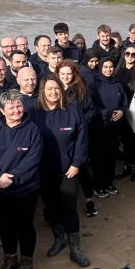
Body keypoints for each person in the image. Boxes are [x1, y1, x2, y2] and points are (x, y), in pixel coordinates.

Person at [0, 90, 43, 269]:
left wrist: (12, 178)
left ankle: (26, 261)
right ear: (2, 110)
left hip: (25, 189)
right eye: (11, 107)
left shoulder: (32, 129)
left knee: (24, 225)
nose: (16, 110)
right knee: (6, 226)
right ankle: (9, 259)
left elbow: (33, 158)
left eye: (19, 106)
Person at [33, 76, 91, 266]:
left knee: (68, 206)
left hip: (69, 170)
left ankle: (75, 248)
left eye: (57, 88)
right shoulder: (35, 113)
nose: (53, 92)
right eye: (49, 89)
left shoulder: (72, 109)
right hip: (44, 170)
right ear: (42, 91)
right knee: (51, 206)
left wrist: (76, 164)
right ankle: (59, 239)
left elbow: (82, 139)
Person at [56, 59, 99, 217]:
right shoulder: (53, 90)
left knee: (84, 168)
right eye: (63, 74)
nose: (66, 77)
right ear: (57, 74)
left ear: (74, 74)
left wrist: (80, 123)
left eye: (69, 73)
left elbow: (92, 110)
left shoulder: (81, 90)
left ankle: (89, 199)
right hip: (60, 137)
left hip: (80, 135)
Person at [90, 58, 128, 195]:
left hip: (114, 126)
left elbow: (124, 103)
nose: (108, 69)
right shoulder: (94, 84)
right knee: (99, 157)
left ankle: (108, 182)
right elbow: (91, 107)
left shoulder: (117, 83)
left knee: (111, 155)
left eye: (111, 67)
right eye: (105, 67)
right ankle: (99, 184)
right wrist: (108, 113)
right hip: (99, 126)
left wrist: (122, 111)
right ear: (100, 67)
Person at [115, 45, 135, 181]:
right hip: (122, 111)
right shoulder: (118, 71)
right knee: (125, 141)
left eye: (133, 54)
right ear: (124, 55)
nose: (130, 56)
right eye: (127, 53)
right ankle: (127, 166)